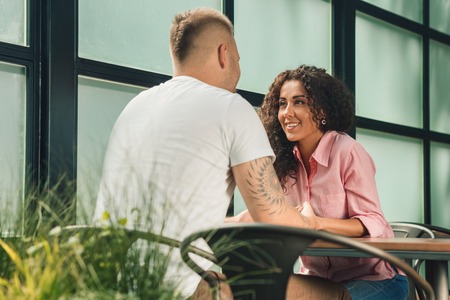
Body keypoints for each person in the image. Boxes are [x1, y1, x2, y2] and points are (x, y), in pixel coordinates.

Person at [94, 8, 350, 300]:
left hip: (113, 284)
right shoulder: (230, 106)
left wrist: (233, 220)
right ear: (223, 54)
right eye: (238, 59)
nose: (238, 69)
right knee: (337, 295)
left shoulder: (134, 108)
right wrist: (306, 218)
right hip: (189, 286)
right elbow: (275, 219)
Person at [253, 65, 409, 299]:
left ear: (323, 110)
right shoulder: (283, 164)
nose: (287, 112)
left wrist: (317, 223)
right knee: (258, 289)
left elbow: (373, 221)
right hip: (317, 279)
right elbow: (274, 213)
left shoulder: (348, 152)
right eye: (282, 104)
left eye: (299, 102)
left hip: (374, 279)